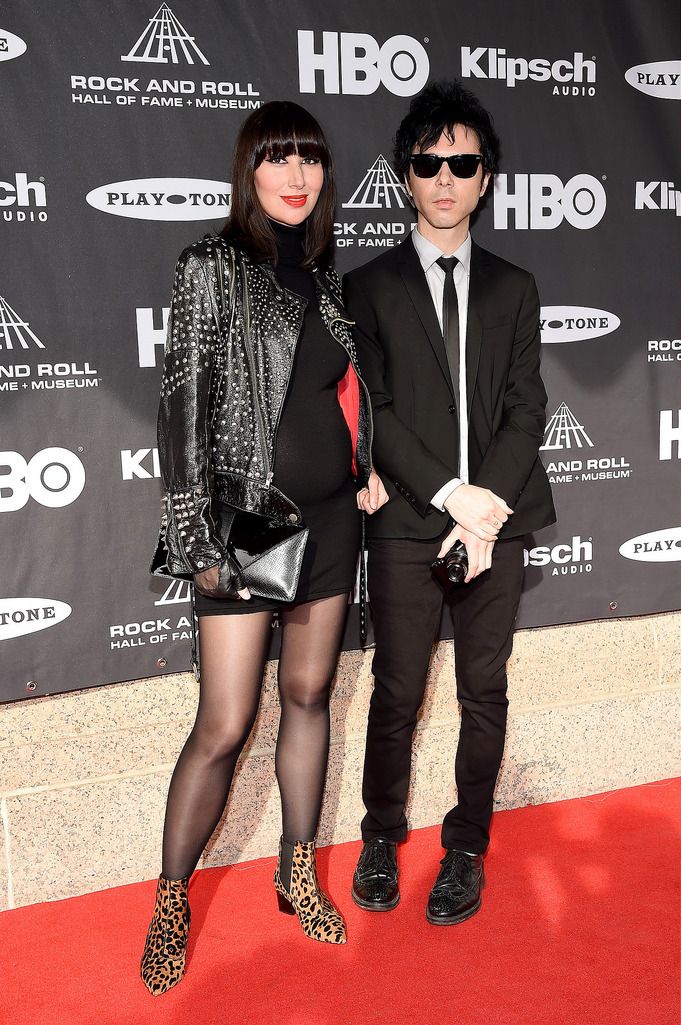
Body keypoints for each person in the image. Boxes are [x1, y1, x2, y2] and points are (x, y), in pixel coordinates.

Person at [143, 100, 387, 995]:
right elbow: (180, 412)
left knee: (311, 693)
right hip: (251, 518)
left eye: (311, 160)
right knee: (225, 723)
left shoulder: (327, 282)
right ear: (249, 170)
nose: (297, 175)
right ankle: (172, 899)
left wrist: (364, 465)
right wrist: (194, 535)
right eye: (279, 158)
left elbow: (344, 392)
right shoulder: (210, 267)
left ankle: (296, 866)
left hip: (332, 520)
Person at [344, 81, 555, 925]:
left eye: (460, 163)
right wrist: (448, 495)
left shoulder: (514, 286)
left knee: (483, 691)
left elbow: (524, 408)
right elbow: (375, 408)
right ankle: (379, 833)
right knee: (396, 690)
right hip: (406, 520)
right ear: (405, 174)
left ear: (484, 178)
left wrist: (484, 508)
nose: (444, 178)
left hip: (496, 525)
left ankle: (466, 845)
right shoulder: (367, 286)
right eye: (428, 163)